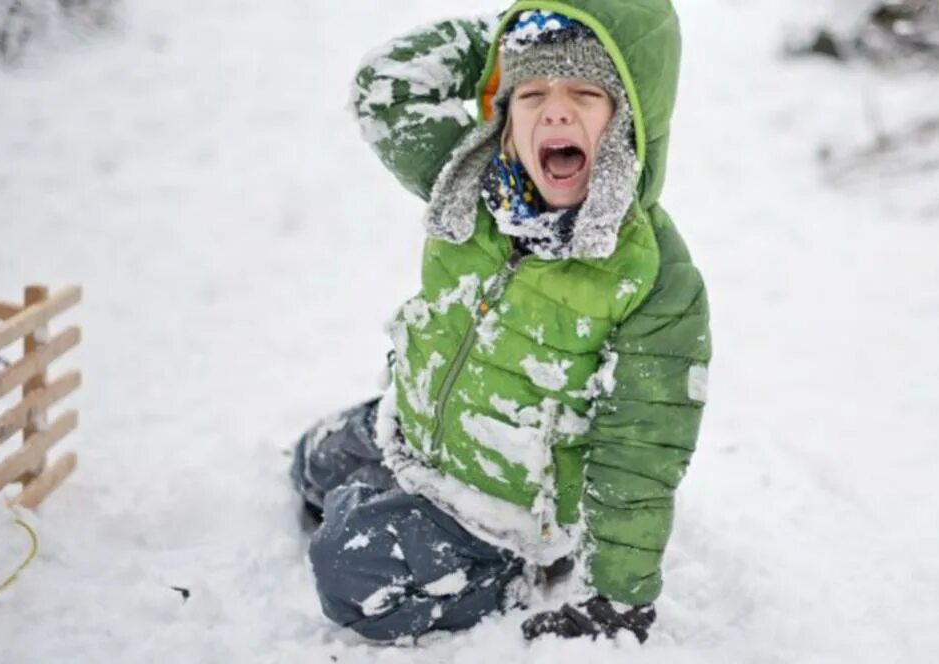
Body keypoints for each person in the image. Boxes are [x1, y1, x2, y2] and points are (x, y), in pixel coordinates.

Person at [290, 0, 710, 645]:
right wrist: (509, 42)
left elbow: (641, 454)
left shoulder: (651, 277)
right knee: (310, 463)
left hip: (505, 511)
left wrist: (619, 597)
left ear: (631, 119)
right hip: (412, 430)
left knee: (348, 571)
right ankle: (387, 485)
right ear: (504, 114)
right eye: (532, 92)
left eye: (587, 92)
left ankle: (500, 574)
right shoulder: (469, 185)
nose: (556, 110)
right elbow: (389, 85)